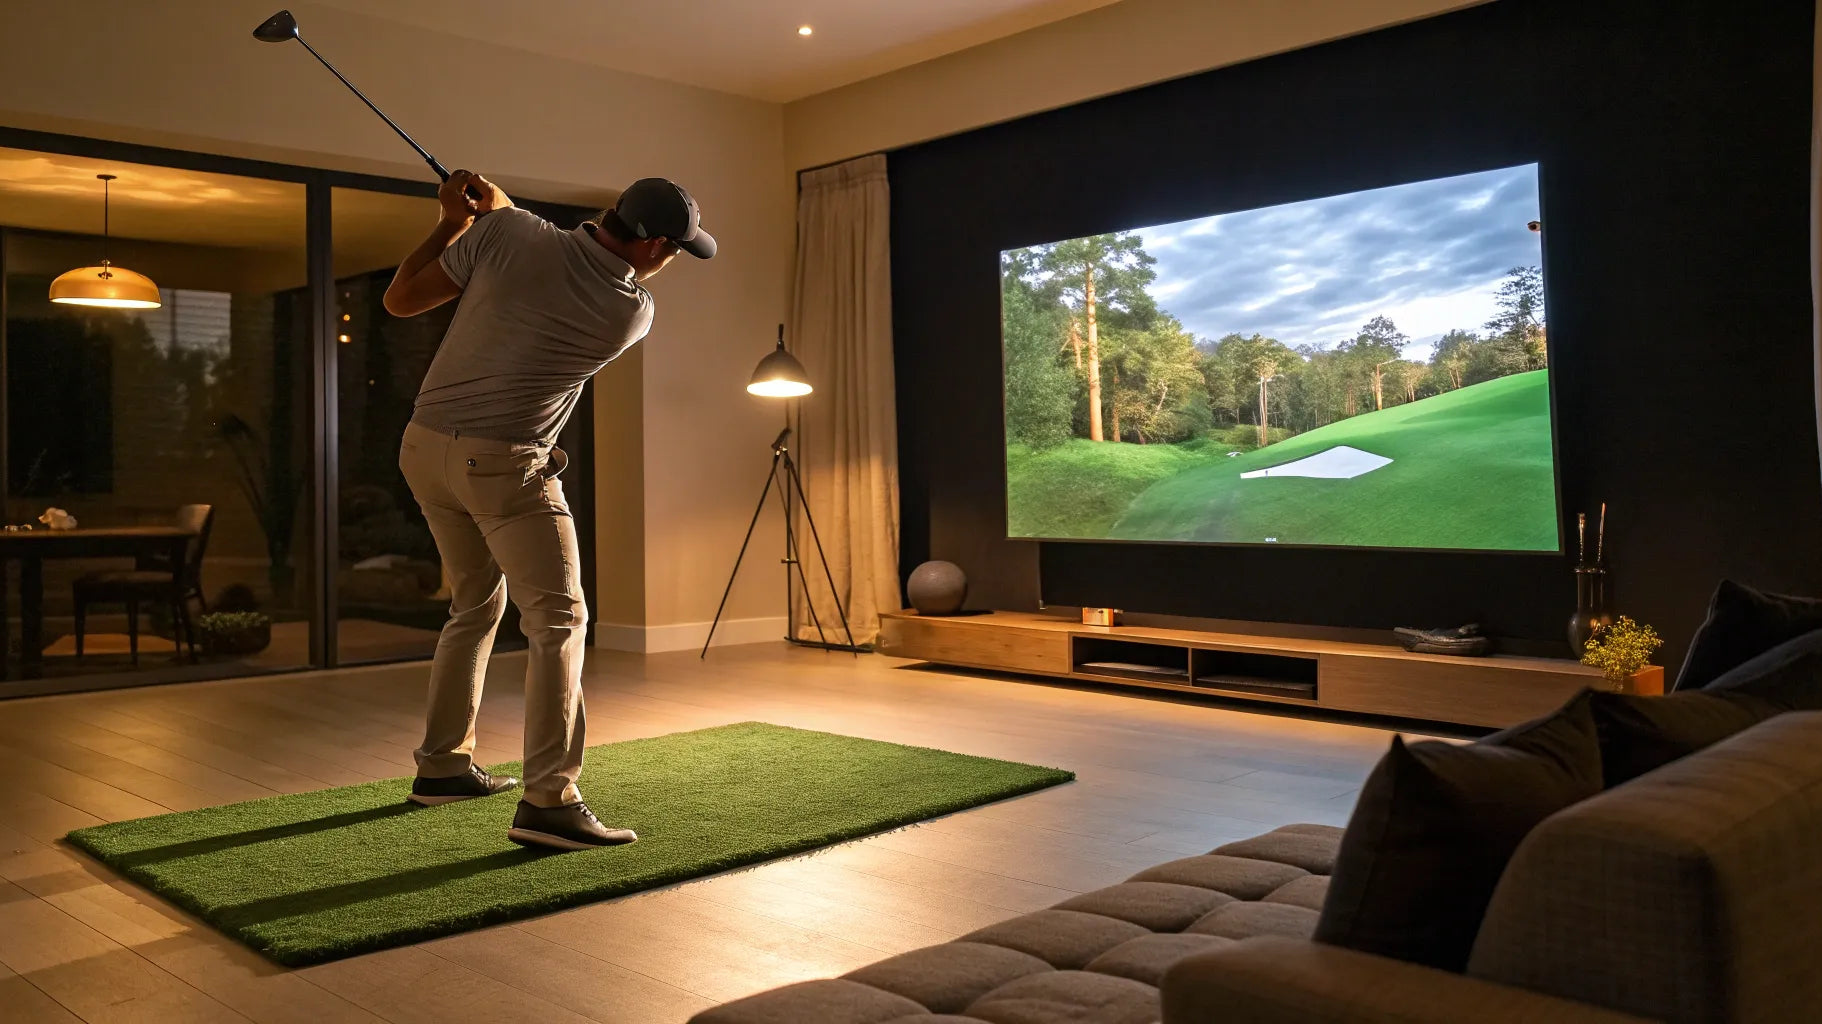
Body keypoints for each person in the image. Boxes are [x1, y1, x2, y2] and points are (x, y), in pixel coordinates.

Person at [382, 169, 716, 850]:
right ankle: (549, 800)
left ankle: (443, 767)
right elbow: (550, 253)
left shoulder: (506, 233)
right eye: (677, 249)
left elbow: (402, 299)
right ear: (654, 246)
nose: (672, 260)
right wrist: (498, 214)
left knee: (474, 603)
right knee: (560, 620)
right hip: (503, 465)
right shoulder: (630, 310)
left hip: (423, 448)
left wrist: (454, 221)